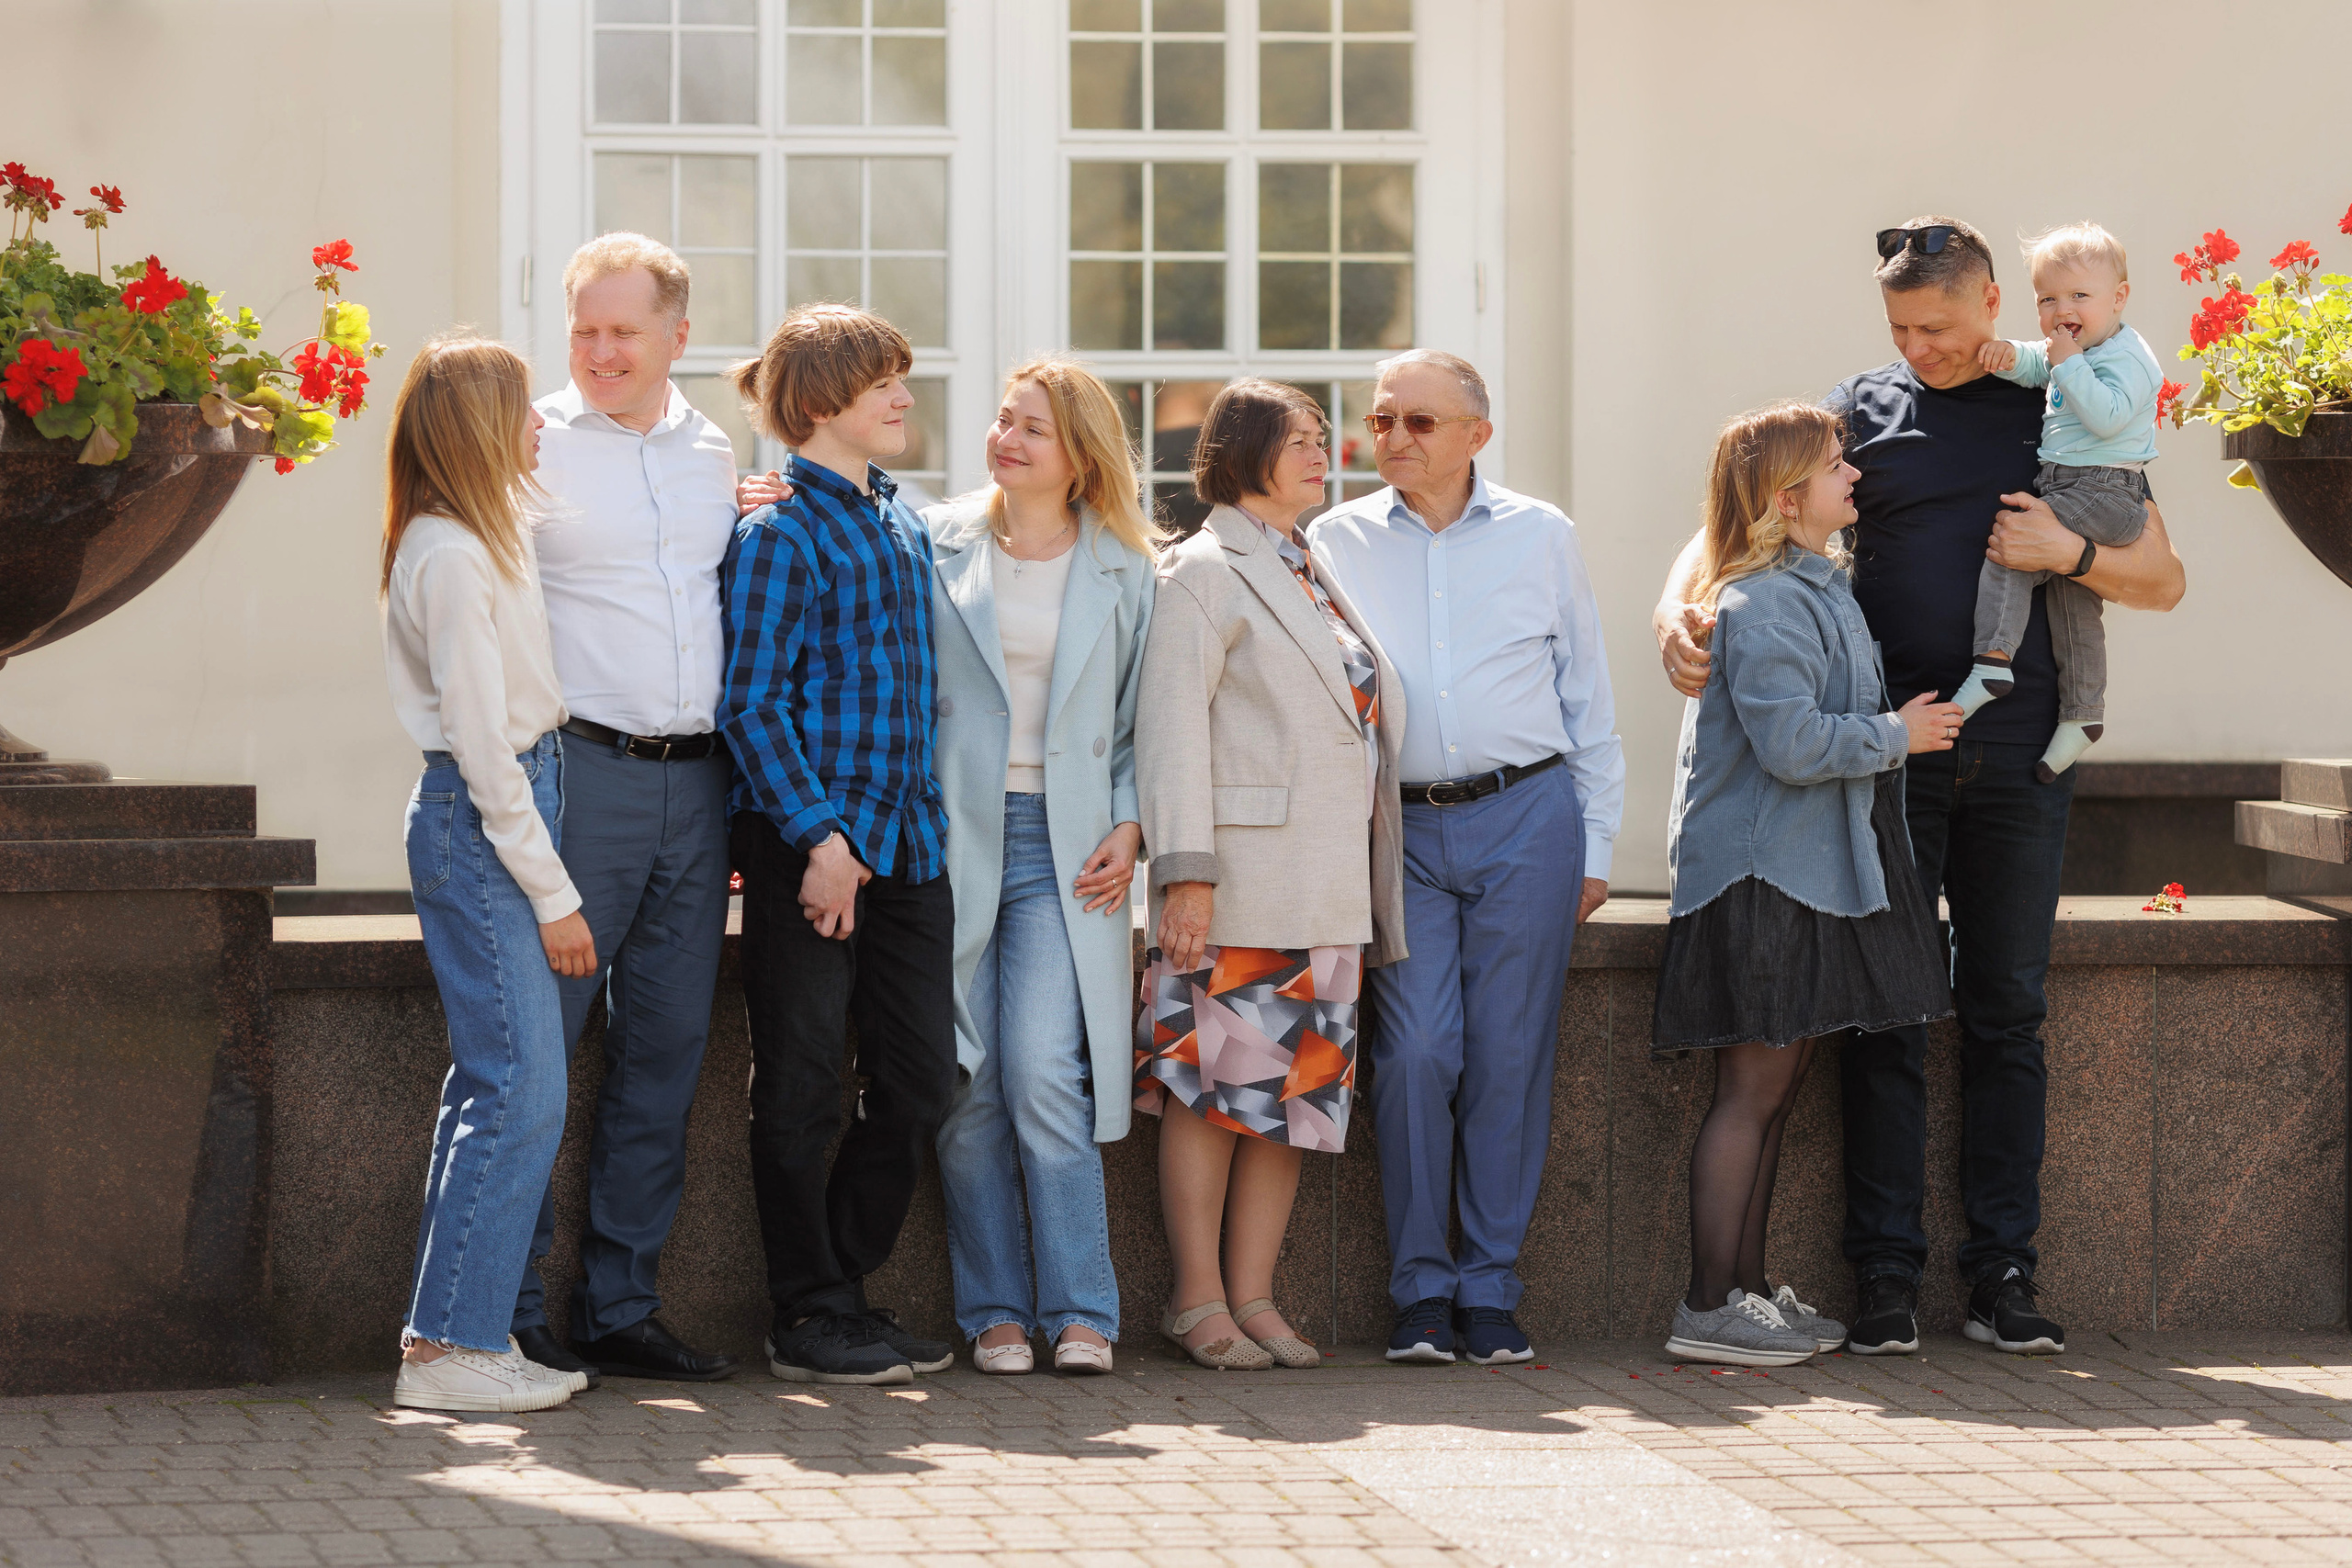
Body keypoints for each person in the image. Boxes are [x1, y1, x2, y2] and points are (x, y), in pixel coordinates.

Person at [1653, 216, 2187, 1359]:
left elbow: (2164, 576)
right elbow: (1739, 512)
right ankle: (1882, 1276)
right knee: (1886, 1011)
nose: (1920, 348)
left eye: (1938, 327)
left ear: (1994, 302)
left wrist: (2073, 557)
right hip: (1883, 762)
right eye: (1901, 329)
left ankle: (2002, 1272)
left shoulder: (2067, 395)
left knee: (2007, 1009)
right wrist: (1671, 615)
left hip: (2019, 752)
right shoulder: (1864, 408)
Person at [1306, 350, 1624, 1368]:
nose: (1393, 439)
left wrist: (1598, 843)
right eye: (1382, 420)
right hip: (1397, 829)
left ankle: (1487, 1289)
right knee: (1414, 1054)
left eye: (1420, 423)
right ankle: (1418, 1292)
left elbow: (1589, 698)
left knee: (1508, 1057)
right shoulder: (1332, 539)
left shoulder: (1542, 535)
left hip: (1528, 819)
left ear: (1476, 436)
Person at [1654, 400, 1960, 1368]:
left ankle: (1743, 1295)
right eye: (1837, 465)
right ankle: (1707, 1307)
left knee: (1772, 1090)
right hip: (1760, 875)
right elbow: (1790, 746)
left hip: (1798, 871)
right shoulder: (1764, 600)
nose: (1853, 477)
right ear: (1789, 499)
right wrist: (1894, 735)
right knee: (1750, 1089)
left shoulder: (1812, 582)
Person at [1134, 378, 1408, 1372]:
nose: (1320, 453)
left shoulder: (1311, 561)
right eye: (1299, 438)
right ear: (1242, 448)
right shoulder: (1203, 568)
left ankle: (1254, 1295)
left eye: (1321, 437)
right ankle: (1195, 1299)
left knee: (1290, 1105)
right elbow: (1167, 732)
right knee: (1215, 1097)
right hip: (1240, 881)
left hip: (1326, 884)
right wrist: (1188, 877)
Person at [505, 232, 741, 1388]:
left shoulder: (715, 453)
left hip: (700, 786)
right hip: (578, 779)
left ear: (676, 338)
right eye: (584, 330)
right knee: (539, 1053)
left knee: (665, 1056)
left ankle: (619, 1307)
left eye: (623, 332)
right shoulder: (529, 443)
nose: (601, 351)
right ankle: (499, 1308)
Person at [718, 303, 956, 1387]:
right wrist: (818, 839)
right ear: (821, 406)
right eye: (882, 386)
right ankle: (807, 1314)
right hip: (810, 848)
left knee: (921, 1081)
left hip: (908, 846)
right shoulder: (778, 533)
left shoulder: (901, 522)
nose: (904, 397)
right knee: (804, 1087)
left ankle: (841, 1285)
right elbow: (754, 705)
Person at [922, 360, 1158, 1375]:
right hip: (944, 842)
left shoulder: (1129, 569)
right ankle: (994, 1313)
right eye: (1003, 419)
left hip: (1067, 854)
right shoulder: (931, 544)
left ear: (1079, 457)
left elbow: (1147, 720)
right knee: (963, 1084)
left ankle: (1083, 1311)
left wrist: (1135, 821)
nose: (1006, 439)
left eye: (1034, 430)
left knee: (1042, 1074)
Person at [379, 334, 594, 1413]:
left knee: (498, 1085)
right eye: (522, 410)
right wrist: (553, 893)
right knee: (519, 1088)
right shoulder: (453, 554)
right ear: (475, 427)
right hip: (487, 816)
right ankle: (451, 1350)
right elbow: (478, 741)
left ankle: (455, 1337)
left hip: (503, 809)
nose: (541, 424)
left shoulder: (478, 532)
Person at [1958, 222, 2166, 781]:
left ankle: (1993, 660)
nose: (2061, 309)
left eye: (2079, 296)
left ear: (2118, 299)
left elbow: (2105, 416)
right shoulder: (2074, 349)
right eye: (2047, 298)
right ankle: (2083, 715)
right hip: (2073, 485)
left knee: (2018, 542)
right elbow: (2040, 362)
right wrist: (2009, 357)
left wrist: (2067, 359)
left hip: (2106, 489)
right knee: (2075, 603)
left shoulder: (2128, 356)